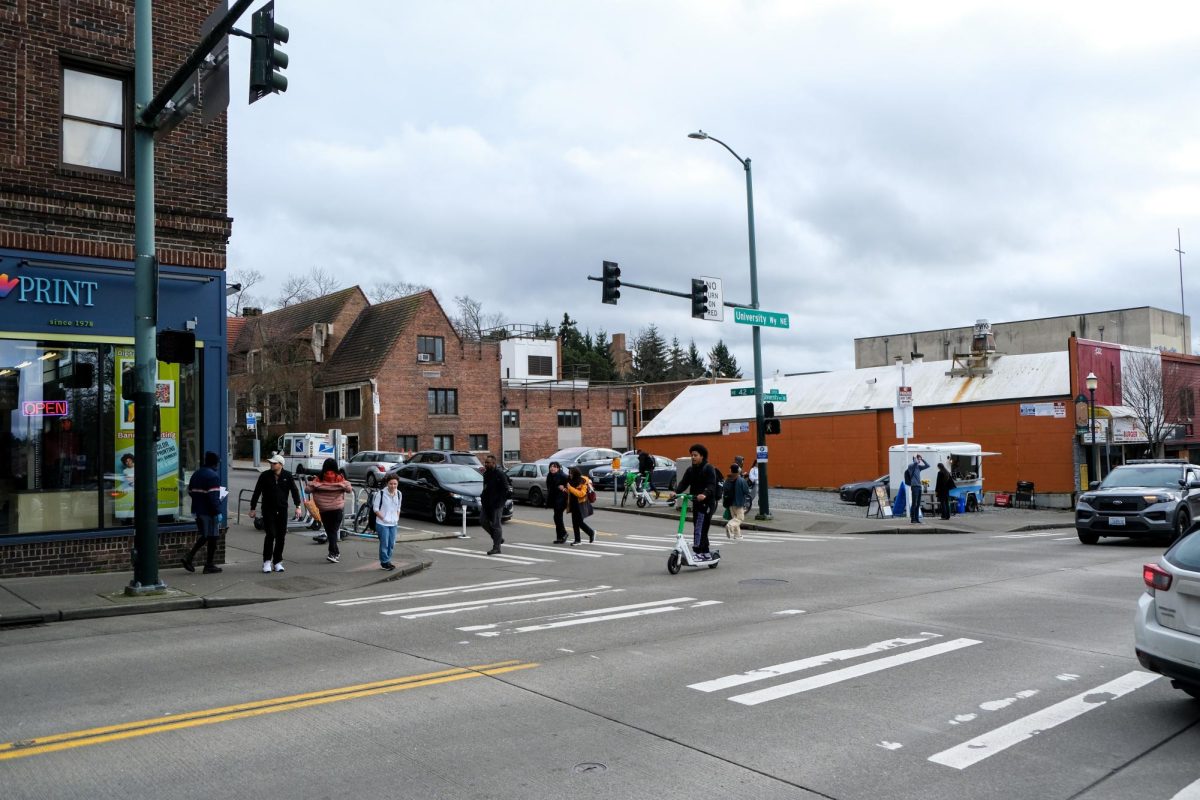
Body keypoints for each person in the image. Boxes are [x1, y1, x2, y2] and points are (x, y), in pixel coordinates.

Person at [250, 453, 302, 572]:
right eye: (271, 463)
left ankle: (277, 561)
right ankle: (267, 561)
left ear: (281, 465)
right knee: (271, 534)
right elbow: (257, 491)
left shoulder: (287, 476)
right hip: (268, 509)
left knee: (281, 536)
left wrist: (298, 506)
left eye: (274, 463)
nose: (272, 465)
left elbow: (294, 491)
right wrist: (252, 508)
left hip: (282, 510)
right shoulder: (265, 476)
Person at [181, 451, 224, 574]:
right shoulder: (213, 476)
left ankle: (194, 559)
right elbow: (213, 497)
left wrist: (199, 499)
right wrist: (218, 512)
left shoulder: (196, 473)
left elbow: (190, 491)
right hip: (209, 512)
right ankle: (203, 563)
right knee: (211, 536)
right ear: (215, 463)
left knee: (207, 536)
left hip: (198, 510)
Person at [678, 443, 721, 559]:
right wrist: (675, 492)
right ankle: (703, 551)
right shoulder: (690, 470)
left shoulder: (709, 468)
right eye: (692, 455)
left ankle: (701, 552)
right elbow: (683, 483)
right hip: (696, 502)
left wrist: (704, 494)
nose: (693, 457)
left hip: (707, 503)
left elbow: (711, 485)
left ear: (702, 456)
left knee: (701, 527)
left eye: (695, 455)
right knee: (698, 527)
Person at [308, 458, 353, 562]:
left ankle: (334, 552)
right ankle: (333, 553)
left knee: (330, 531)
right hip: (337, 509)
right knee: (333, 531)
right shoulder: (340, 477)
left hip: (323, 509)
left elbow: (308, 489)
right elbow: (349, 489)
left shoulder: (319, 478)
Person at [480, 454, 510, 555]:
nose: (485, 464)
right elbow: (485, 488)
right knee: (483, 521)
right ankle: (498, 538)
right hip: (487, 503)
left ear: (493, 463)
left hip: (497, 504)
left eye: (488, 463)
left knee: (496, 525)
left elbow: (506, 489)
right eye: (485, 462)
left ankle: (496, 548)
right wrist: (483, 497)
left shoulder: (500, 474)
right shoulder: (486, 474)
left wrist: (500, 501)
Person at [373, 473, 402, 570]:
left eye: (395, 484)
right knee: (384, 543)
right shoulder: (380, 494)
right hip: (382, 523)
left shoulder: (399, 493)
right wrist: (384, 518)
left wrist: (397, 518)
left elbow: (398, 507)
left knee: (391, 543)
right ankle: (384, 562)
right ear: (387, 484)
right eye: (391, 484)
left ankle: (388, 560)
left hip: (393, 523)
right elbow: (375, 509)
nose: (393, 486)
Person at [565, 466, 595, 546]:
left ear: (575, 473)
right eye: (569, 473)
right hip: (573, 504)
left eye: (571, 473)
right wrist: (566, 490)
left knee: (579, 522)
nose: (570, 475)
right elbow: (570, 491)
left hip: (580, 504)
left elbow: (582, 494)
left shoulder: (583, 480)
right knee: (575, 523)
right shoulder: (570, 480)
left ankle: (591, 532)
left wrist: (570, 488)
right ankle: (577, 540)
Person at [722, 463, 750, 541]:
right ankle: (729, 525)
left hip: (730, 503)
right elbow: (746, 491)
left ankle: (737, 535)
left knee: (735, 518)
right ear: (738, 470)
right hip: (739, 502)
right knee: (740, 519)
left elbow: (724, 490)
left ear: (730, 470)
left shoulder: (727, 480)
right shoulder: (741, 480)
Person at [546, 460, 569, 543]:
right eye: (551, 467)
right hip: (554, 499)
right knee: (557, 518)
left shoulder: (563, 475)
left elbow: (571, 484)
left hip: (562, 499)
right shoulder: (550, 476)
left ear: (558, 468)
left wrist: (564, 488)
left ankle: (564, 534)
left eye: (554, 467)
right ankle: (560, 538)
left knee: (557, 517)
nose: (552, 468)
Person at [904, 454, 931, 524]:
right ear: (914, 459)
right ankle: (912, 519)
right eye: (917, 459)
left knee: (918, 504)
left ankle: (917, 519)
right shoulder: (911, 466)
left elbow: (928, 465)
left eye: (919, 459)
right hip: (914, 486)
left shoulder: (919, 467)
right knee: (914, 503)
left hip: (919, 486)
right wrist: (916, 458)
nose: (919, 460)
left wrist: (922, 459)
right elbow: (915, 463)